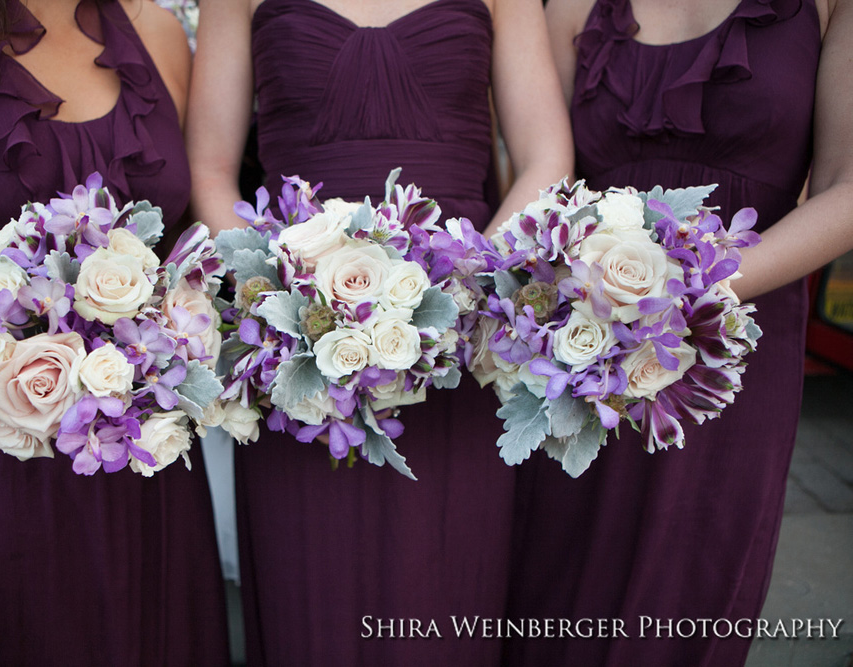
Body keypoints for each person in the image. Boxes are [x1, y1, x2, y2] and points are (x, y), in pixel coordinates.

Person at [187, 0, 572, 665]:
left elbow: (546, 156)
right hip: (303, 349)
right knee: (310, 593)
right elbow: (211, 169)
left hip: (458, 345)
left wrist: (462, 286)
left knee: (444, 585)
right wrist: (288, 297)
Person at [0, 0, 231, 664]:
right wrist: (3, 327)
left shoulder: (157, 33)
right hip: (1, 431)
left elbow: (194, 221)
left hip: (146, 439)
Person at [504, 0, 853, 665]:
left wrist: (688, 289)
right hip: (586, 352)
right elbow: (545, 186)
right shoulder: (571, 8)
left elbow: (848, 185)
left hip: (732, 356)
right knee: (551, 590)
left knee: (688, 599)